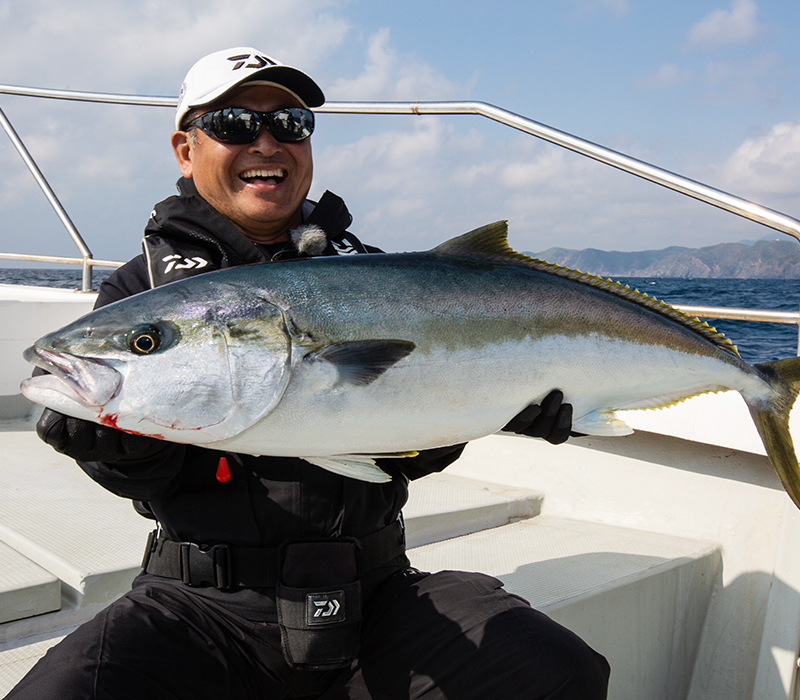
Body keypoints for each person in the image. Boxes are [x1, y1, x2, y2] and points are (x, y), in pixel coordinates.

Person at [8, 48, 610, 699]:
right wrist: (120, 455)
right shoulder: (142, 291)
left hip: (376, 594)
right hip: (203, 606)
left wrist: (493, 406)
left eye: (290, 124)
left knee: (552, 670)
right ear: (186, 149)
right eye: (235, 123)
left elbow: (405, 451)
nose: (266, 142)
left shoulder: (382, 281)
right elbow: (155, 469)